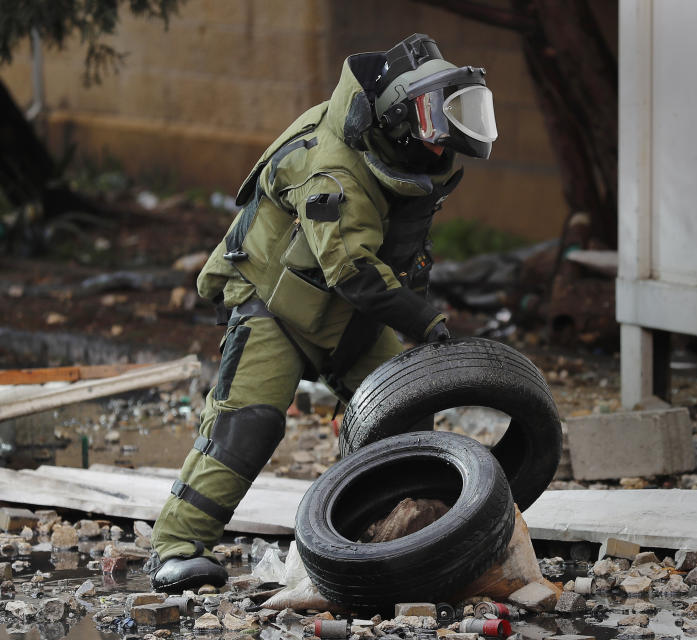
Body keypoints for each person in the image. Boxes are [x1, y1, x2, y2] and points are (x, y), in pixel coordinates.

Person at [145, 33, 498, 592]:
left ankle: (366, 536)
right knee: (248, 424)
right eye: (435, 122)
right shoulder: (333, 167)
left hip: (349, 311)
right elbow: (351, 267)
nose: (443, 142)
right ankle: (176, 546)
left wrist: (415, 306)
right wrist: (424, 321)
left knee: (400, 419)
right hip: (274, 304)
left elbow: (398, 255)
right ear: (399, 119)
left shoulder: (403, 158)